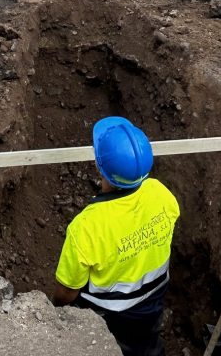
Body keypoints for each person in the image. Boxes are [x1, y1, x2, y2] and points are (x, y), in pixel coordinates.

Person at [52, 117, 179, 356]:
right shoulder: (161, 194)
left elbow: (66, 292)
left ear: (100, 167)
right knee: (147, 348)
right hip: (153, 302)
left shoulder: (87, 226)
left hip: (108, 315)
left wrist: (53, 309)